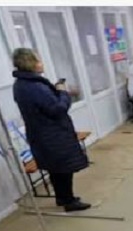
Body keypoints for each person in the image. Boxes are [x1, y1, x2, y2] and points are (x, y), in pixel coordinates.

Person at [11, 48, 90, 212]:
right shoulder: (35, 87)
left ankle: (63, 198)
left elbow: (44, 105)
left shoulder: (21, 85)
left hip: (42, 134)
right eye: (38, 60)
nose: (42, 63)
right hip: (52, 135)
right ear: (30, 63)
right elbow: (57, 109)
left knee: (56, 169)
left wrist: (54, 92)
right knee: (63, 169)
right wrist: (62, 92)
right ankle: (68, 201)